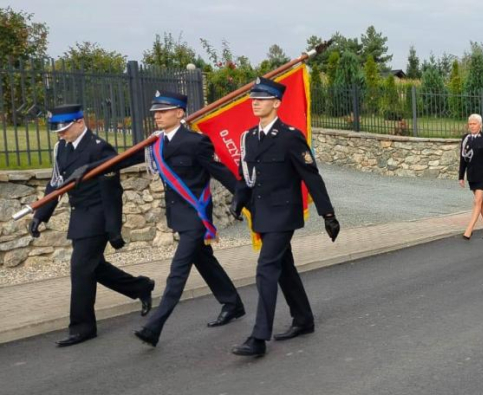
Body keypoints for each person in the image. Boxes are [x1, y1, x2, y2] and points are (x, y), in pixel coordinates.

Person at [230, 77, 341, 357]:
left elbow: (310, 176)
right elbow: (246, 177)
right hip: (262, 214)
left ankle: (258, 337)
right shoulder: (248, 137)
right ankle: (303, 319)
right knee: (285, 269)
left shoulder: (290, 135)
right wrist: (238, 201)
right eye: (253, 98)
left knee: (266, 268)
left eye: (262, 98)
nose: (255, 102)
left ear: (276, 103)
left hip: (284, 213)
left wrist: (327, 214)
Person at [29, 104, 154, 347]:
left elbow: (112, 191)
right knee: (94, 267)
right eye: (57, 130)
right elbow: (56, 184)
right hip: (79, 216)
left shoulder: (100, 148)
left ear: (79, 122)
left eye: (64, 129)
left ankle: (82, 326)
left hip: (98, 216)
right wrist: (41, 214)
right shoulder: (60, 148)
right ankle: (141, 286)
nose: (59, 133)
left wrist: (113, 228)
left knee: (80, 267)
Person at [133, 91, 244, 347]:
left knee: (178, 271)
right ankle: (232, 303)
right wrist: (91, 170)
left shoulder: (196, 142)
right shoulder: (157, 143)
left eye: (163, 111)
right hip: (178, 216)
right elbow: (126, 158)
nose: (157, 116)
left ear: (180, 113)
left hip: (196, 216)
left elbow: (221, 172)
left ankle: (154, 326)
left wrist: (242, 198)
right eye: (155, 112)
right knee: (205, 262)